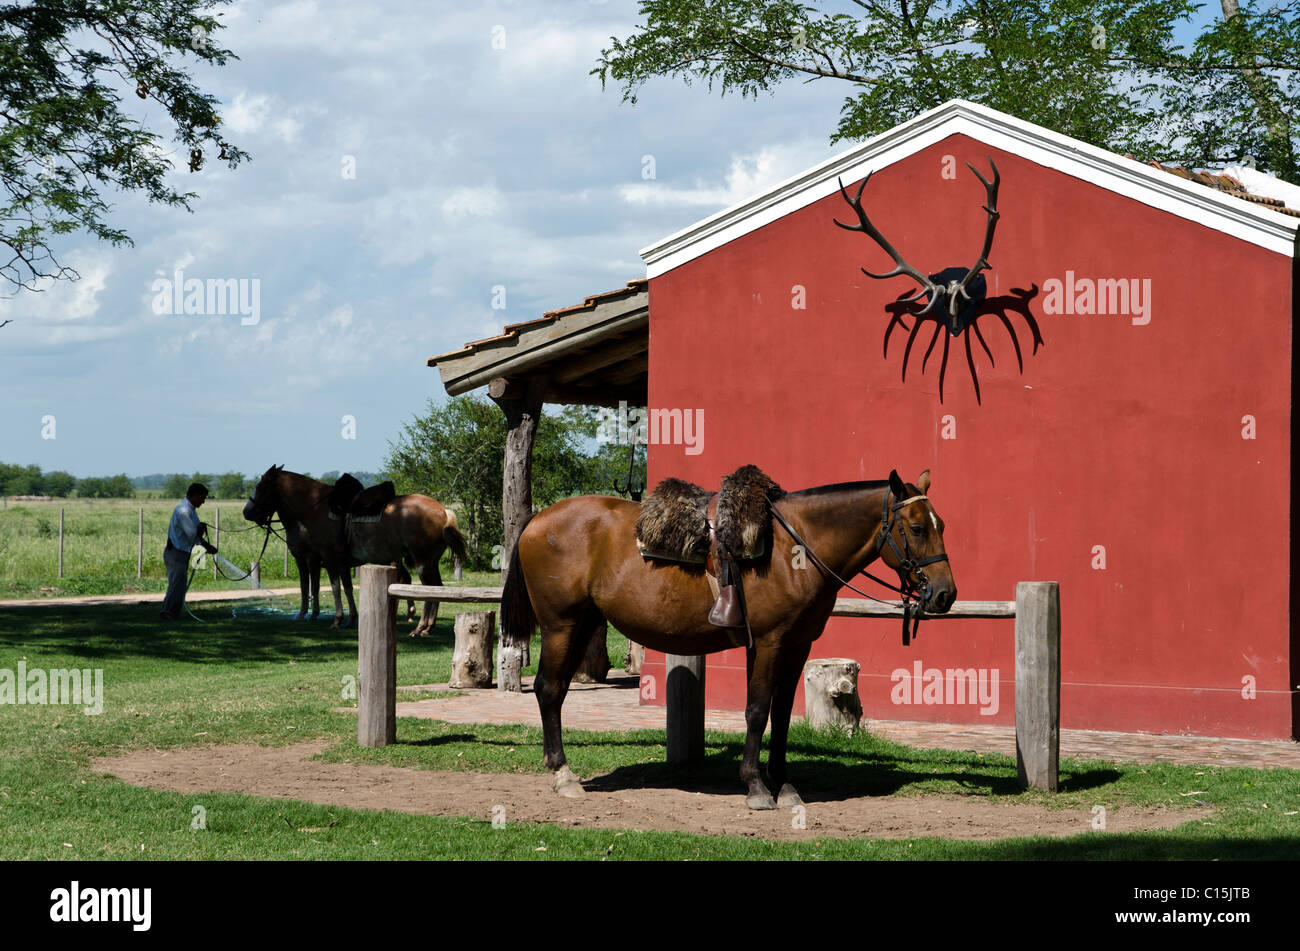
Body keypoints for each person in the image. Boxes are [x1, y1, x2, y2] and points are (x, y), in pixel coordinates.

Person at [160, 482, 216, 621]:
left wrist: (205, 544)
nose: (203, 501)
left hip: (180, 553)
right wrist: (203, 536)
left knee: (177, 584)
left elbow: (194, 536)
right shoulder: (184, 511)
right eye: (202, 497)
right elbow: (192, 535)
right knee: (177, 585)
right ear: (195, 495)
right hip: (176, 553)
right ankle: (169, 613)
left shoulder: (189, 510)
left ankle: (169, 612)